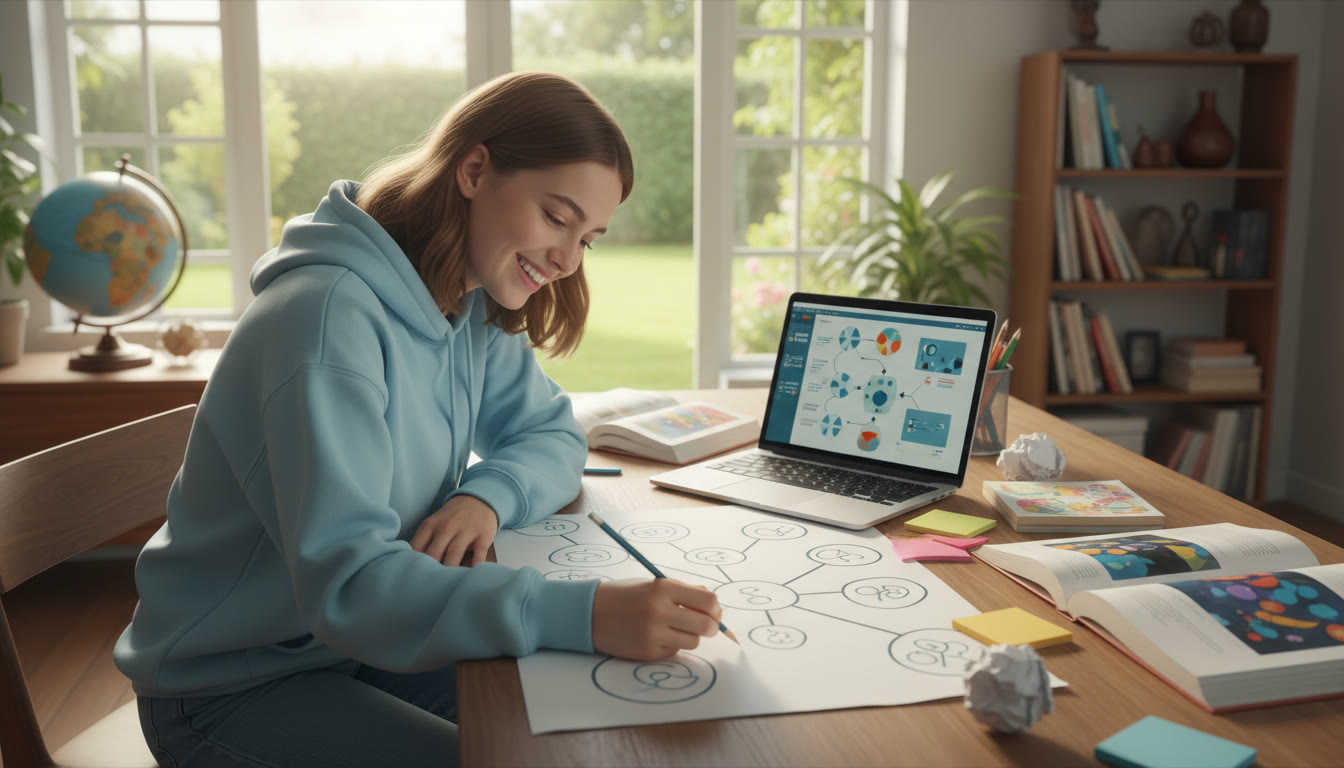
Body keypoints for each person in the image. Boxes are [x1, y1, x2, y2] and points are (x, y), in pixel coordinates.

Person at [113, 71, 723, 768]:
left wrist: (485, 496)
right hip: (230, 683)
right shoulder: (323, 321)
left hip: (353, 642)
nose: (565, 259)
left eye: (588, 238)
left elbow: (552, 433)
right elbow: (349, 584)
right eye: (557, 217)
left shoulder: (464, 303)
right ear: (473, 169)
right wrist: (582, 613)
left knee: (596, 724)